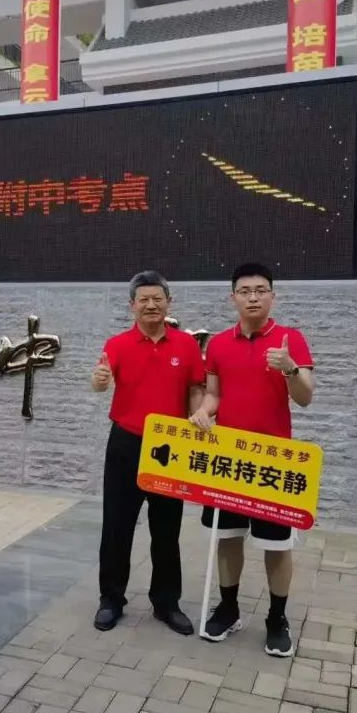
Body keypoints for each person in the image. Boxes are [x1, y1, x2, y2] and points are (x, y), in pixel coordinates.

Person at [188, 262, 315, 657]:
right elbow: (214, 394)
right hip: (228, 458)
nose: (253, 297)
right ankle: (229, 609)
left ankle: (277, 618)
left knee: (277, 545)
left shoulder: (290, 339)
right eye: (245, 291)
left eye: (261, 290)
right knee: (227, 540)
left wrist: (290, 368)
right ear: (233, 298)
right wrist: (203, 412)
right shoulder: (218, 344)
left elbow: (305, 397)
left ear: (273, 295)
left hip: (274, 462)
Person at [91, 270, 205, 634]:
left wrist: (198, 417)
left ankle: (167, 603)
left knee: (167, 529)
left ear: (169, 302)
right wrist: (98, 382)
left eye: (158, 298)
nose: (151, 305)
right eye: (144, 299)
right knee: (116, 526)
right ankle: (111, 600)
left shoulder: (186, 345)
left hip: (171, 445)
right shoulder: (117, 344)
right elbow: (100, 380)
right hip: (126, 442)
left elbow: (196, 388)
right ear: (132, 305)